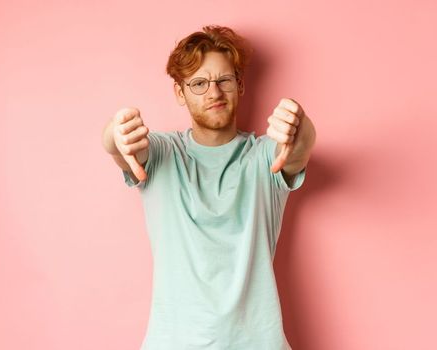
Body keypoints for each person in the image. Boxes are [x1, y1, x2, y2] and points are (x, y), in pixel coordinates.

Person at [100, 25, 316, 349]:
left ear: (240, 85)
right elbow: (123, 148)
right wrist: (115, 135)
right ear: (180, 92)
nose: (213, 92)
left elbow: (299, 148)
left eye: (223, 80)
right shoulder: (162, 153)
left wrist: (299, 126)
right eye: (199, 83)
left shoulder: (263, 157)